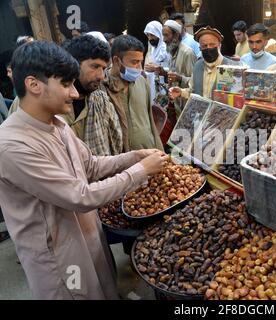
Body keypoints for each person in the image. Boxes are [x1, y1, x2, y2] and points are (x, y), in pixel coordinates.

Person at [0, 40, 169, 299]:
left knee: (105, 290)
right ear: (33, 85)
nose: (75, 93)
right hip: (58, 256)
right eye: (65, 85)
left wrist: (135, 156)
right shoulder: (12, 146)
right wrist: (140, 171)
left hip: (89, 236)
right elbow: (79, 196)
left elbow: (90, 165)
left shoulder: (56, 124)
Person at [61, 35, 123, 156]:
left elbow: (116, 142)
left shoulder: (100, 100)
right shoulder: (49, 103)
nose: (101, 76)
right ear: (74, 64)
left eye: (104, 68)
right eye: (95, 66)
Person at [102, 35, 164, 151]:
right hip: (122, 163)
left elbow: (150, 120)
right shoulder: (102, 88)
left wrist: (160, 151)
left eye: (140, 62)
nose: (139, 68)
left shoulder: (141, 82)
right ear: (116, 60)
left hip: (149, 154)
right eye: (134, 62)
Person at [169, 26, 241, 100]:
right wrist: (181, 92)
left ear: (219, 46)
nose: (208, 48)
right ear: (200, 48)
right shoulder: (197, 66)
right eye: (204, 46)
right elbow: (192, 91)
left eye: (212, 44)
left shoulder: (231, 67)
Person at [160, 19, 197, 114]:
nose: (164, 40)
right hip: (176, 104)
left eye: (166, 35)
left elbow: (195, 83)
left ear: (176, 35)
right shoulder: (171, 51)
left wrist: (180, 78)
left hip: (186, 107)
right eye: (163, 35)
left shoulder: (187, 53)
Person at [143, 20, 170, 105]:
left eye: (152, 35)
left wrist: (157, 68)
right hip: (152, 85)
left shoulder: (166, 48)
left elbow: (172, 68)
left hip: (165, 86)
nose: (150, 38)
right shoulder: (152, 49)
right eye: (148, 35)